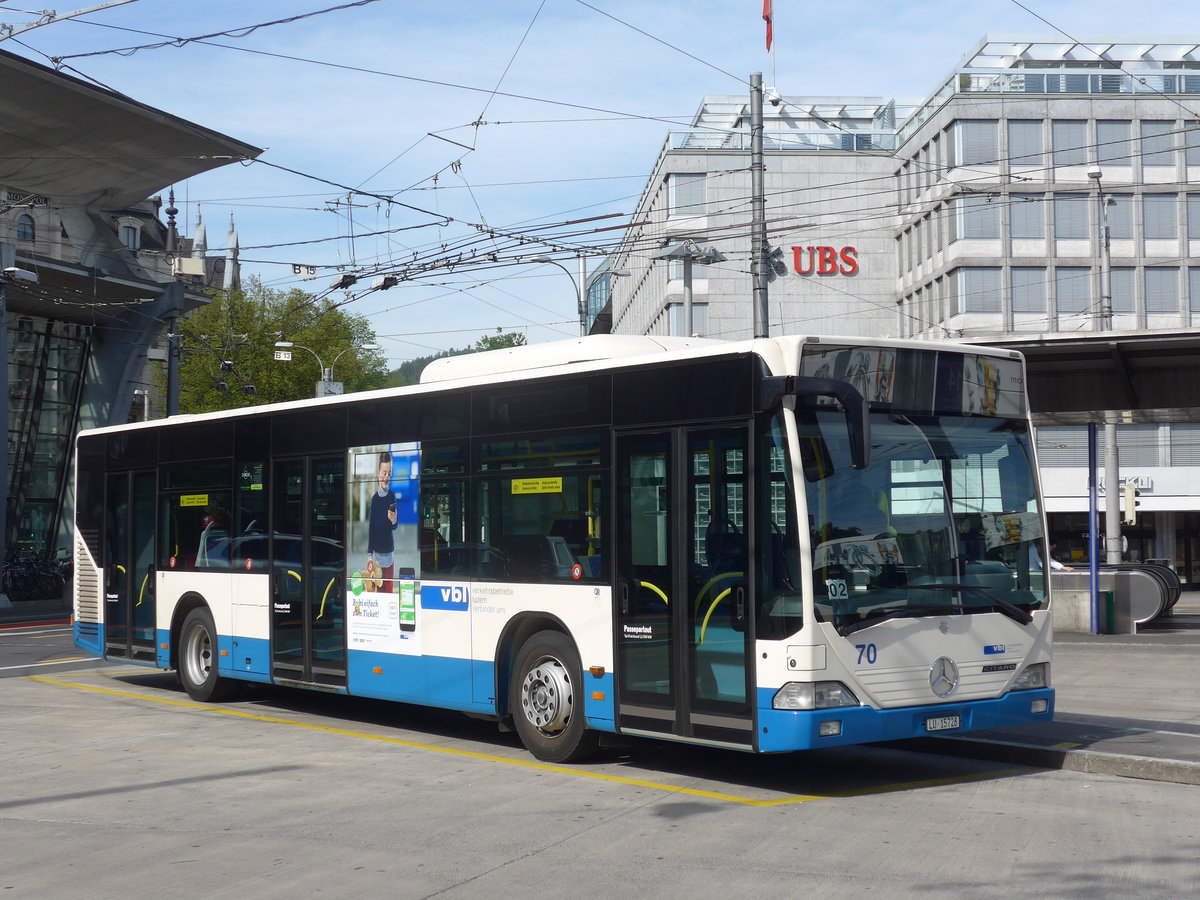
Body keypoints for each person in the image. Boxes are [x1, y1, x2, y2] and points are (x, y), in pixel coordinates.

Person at [367, 451, 398, 591]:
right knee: (378, 591)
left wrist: (394, 521)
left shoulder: (392, 496)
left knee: (389, 590)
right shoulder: (374, 499)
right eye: (384, 473)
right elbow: (371, 528)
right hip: (377, 557)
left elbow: (395, 526)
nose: (386, 477)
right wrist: (369, 555)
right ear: (378, 473)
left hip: (389, 554)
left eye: (389, 474)